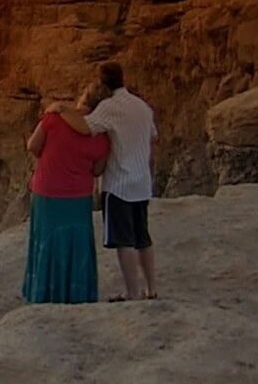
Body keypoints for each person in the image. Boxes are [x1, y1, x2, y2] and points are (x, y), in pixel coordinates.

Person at [47, 62, 158, 301]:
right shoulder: (142, 107)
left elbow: (86, 127)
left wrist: (61, 109)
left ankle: (132, 293)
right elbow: (152, 137)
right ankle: (151, 288)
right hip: (142, 183)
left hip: (119, 184)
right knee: (143, 237)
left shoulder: (110, 107)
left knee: (124, 241)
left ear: (102, 81)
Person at [22, 82, 111, 304]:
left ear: (83, 99)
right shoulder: (102, 137)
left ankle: (43, 294)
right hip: (77, 198)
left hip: (46, 191)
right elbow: (98, 169)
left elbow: (33, 146)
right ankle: (77, 295)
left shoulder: (53, 119)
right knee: (76, 244)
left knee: (46, 242)